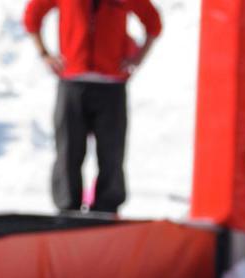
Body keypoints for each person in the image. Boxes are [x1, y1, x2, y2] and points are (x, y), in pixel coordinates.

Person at [23, 0, 163, 215]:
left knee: (111, 154)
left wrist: (138, 58)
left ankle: (107, 209)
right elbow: (32, 17)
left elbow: (153, 23)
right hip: (73, 82)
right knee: (69, 150)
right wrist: (45, 54)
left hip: (111, 85)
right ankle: (67, 209)